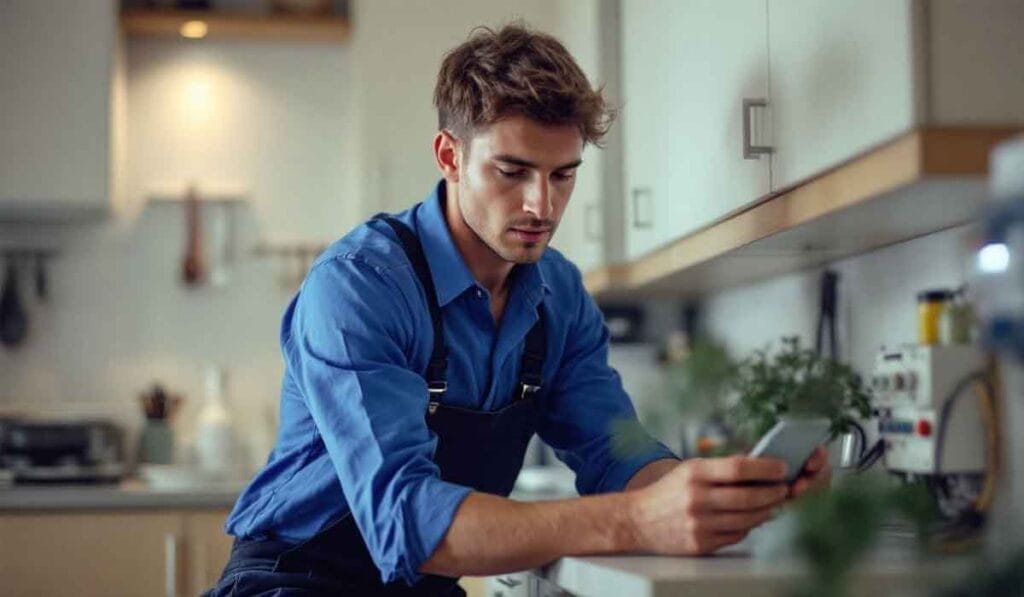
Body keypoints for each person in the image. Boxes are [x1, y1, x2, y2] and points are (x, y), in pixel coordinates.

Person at [206, 23, 830, 596]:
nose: (542, 205)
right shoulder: (360, 286)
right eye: (513, 171)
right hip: (294, 580)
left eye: (563, 175)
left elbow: (617, 453)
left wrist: (719, 493)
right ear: (450, 156)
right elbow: (406, 522)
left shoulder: (558, 296)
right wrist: (636, 519)